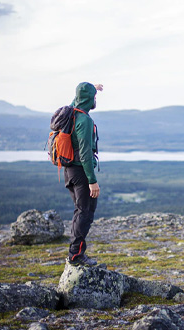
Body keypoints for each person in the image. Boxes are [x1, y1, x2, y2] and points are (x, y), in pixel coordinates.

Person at [65, 82, 103, 266]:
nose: (95, 100)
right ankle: (76, 255)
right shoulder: (84, 120)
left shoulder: (71, 112)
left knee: (81, 211)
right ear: (90, 99)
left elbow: (77, 99)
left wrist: (91, 88)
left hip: (69, 171)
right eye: (94, 97)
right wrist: (92, 181)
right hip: (81, 171)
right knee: (85, 212)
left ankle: (76, 252)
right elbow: (86, 153)